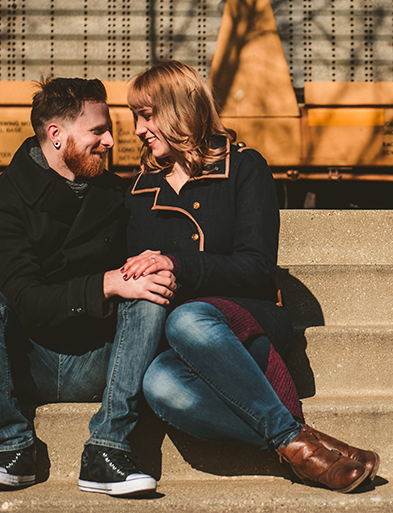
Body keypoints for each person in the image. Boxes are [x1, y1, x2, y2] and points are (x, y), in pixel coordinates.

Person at [119, 60, 379, 493]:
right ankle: (297, 441)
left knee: (190, 319)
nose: (138, 129)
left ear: (179, 110)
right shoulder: (140, 188)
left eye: (147, 116)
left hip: (245, 318)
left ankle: (300, 447)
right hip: (179, 340)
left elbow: (257, 266)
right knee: (158, 383)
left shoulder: (244, 167)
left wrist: (178, 264)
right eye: (136, 118)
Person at [0, 78, 173, 496]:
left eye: (110, 131)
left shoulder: (122, 195)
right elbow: (26, 302)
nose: (109, 141)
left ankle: (107, 448)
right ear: (56, 135)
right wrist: (106, 284)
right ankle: (12, 446)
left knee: (147, 286)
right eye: (98, 131)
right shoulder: (1, 204)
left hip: (99, 359)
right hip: (28, 359)